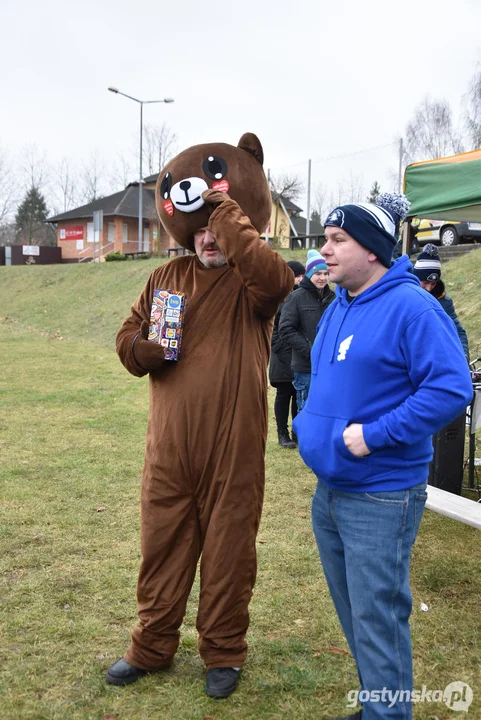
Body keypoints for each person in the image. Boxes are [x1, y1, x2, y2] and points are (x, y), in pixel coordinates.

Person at [107, 134, 293, 699]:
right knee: (161, 544)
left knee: (231, 551)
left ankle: (224, 650)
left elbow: (276, 280)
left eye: (220, 228)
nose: (210, 239)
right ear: (188, 233)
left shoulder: (253, 281)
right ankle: (152, 645)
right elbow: (124, 340)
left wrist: (224, 209)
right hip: (169, 448)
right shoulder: (166, 279)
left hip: (233, 449)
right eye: (202, 230)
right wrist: (146, 349)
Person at [293, 196, 473, 720]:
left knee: (378, 615)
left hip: (380, 492)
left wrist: (373, 436)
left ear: (371, 250)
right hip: (331, 491)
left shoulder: (412, 306)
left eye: (336, 240)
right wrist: (309, 427)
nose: (323, 249)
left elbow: (451, 387)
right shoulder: (341, 304)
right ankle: (379, 703)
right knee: (356, 613)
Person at [278, 249, 335, 411]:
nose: (323, 278)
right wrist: (309, 351)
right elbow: (286, 329)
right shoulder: (295, 298)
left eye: (326, 273)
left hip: (329, 366)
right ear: (310, 274)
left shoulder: (334, 299)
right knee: (306, 410)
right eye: (318, 274)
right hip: (305, 368)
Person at [269, 260, 305, 448]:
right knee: (284, 394)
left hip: (298, 354)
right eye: (297, 275)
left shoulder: (302, 297)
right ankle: (282, 432)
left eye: (302, 275)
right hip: (282, 355)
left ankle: (296, 431)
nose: (300, 279)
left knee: (297, 393)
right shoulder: (278, 299)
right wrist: (281, 350)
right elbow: (273, 330)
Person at [412, 243, 470, 360]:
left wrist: (463, 356)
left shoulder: (444, 302)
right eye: (425, 282)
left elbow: (458, 332)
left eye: (433, 283)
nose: (429, 288)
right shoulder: (404, 297)